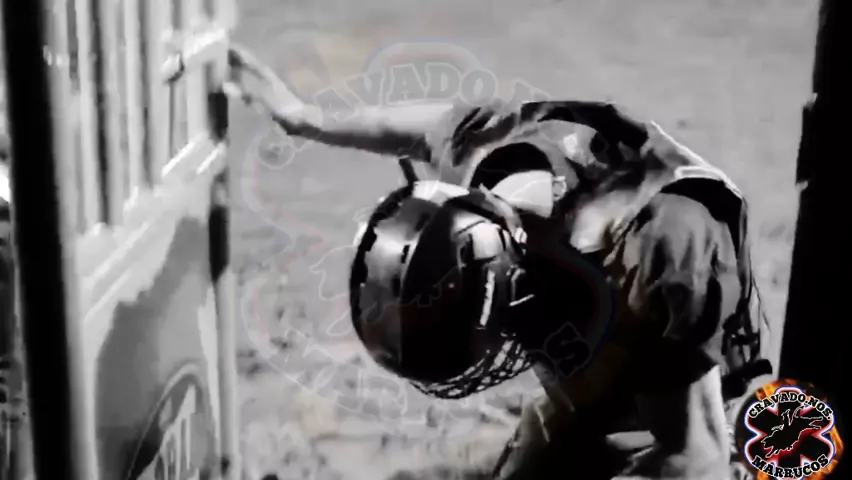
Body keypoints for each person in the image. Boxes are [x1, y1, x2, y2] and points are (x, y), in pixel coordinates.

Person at [226, 44, 772, 479]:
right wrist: (307, 119)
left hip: (675, 332)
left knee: (678, 440)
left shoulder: (664, 249)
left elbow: (693, 457)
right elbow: (429, 130)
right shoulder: (479, 174)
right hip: (581, 280)